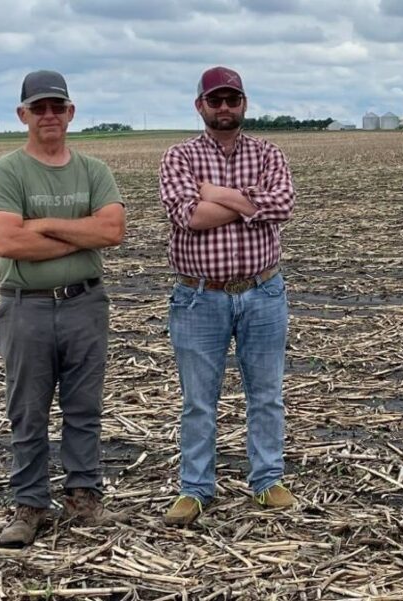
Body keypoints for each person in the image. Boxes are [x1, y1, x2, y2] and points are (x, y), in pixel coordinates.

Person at [0, 70, 127, 548]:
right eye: (39, 108)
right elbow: (6, 240)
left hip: (86, 303)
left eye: (57, 107)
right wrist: (77, 233)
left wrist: (42, 225)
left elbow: (111, 232)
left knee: (84, 408)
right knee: (28, 410)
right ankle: (29, 503)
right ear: (23, 114)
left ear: (71, 112)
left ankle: (84, 494)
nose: (49, 116)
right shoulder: (7, 171)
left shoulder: (93, 170)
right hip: (26, 309)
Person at [159, 66, 297, 526]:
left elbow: (282, 206)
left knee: (267, 394)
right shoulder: (178, 157)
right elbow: (189, 217)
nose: (224, 108)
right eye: (215, 100)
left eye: (231, 99)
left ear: (244, 103)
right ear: (200, 105)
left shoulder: (268, 152)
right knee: (199, 400)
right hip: (200, 298)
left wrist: (218, 193)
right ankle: (195, 488)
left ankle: (267, 480)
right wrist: (248, 203)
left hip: (263, 291)